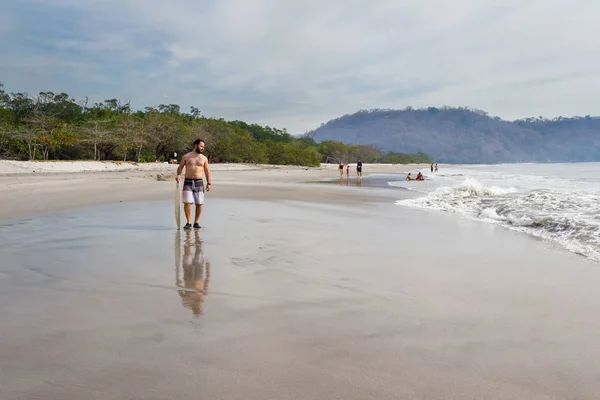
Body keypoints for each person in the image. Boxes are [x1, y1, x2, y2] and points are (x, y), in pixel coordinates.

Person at [176, 139, 212, 230]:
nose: (203, 148)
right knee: (187, 202)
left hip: (199, 182)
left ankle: (196, 222)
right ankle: (188, 222)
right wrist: (179, 175)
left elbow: (207, 171)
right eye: (201, 146)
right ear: (195, 145)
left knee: (199, 203)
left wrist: (209, 183)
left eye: (203, 147)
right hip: (188, 181)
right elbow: (180, 167)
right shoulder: (186, 156)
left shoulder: (204, 158)